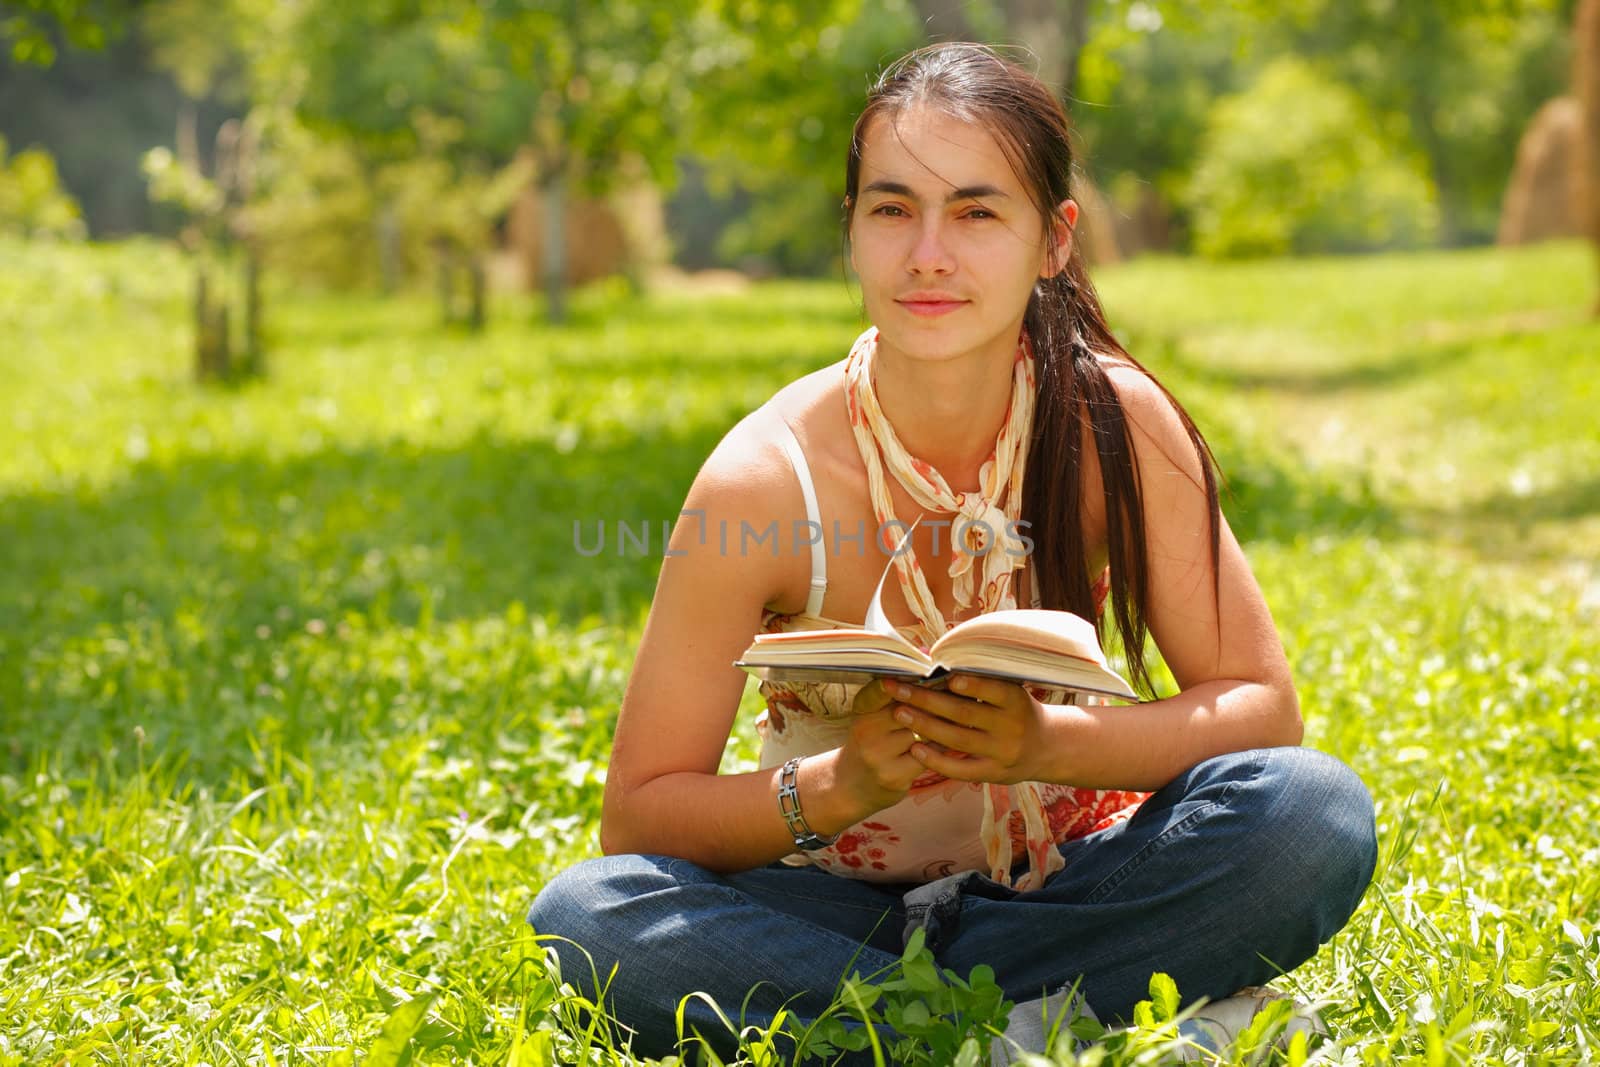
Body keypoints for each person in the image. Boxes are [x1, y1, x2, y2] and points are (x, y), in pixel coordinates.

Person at [529, 42, 1377, 1064]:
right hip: (828, 918)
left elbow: (1258, 705)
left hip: (1074, 885)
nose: (928, 254)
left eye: (977, 212)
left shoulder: (1119, 427)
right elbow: (642, 813)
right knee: (587, 913)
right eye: (891, 209)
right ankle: (1041, 1028)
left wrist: (1046, 747)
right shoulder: (761, 479)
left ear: (1052, 239)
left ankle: (924, 1033)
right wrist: (840, 786)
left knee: (1310, 813)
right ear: (850, 230)